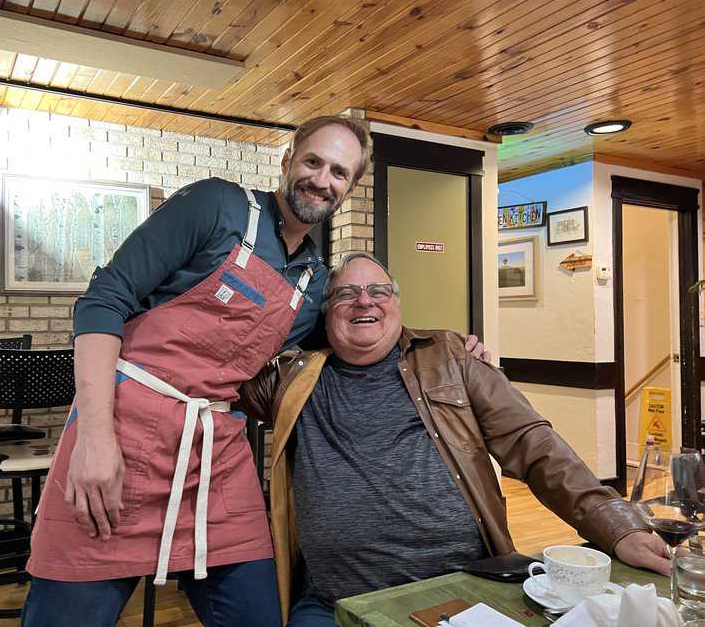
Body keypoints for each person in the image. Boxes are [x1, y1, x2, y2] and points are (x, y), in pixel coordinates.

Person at [21, 115, 490, 627]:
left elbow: (362, 332)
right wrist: (94, 439)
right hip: (121, 434)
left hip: (217, 455)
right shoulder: (215, 205)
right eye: (313, 161)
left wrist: (446, 345)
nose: (322, 179)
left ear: (350, 187)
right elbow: (102, 301)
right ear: (288, 162)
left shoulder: (313, 284)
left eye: (339, 172)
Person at [237, 251, 672, 626]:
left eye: (379, 291)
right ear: (324, 310)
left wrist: (615, 525)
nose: (364, 301)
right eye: (345, 295)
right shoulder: (292, 377)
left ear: (397, 302)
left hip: (463, 584)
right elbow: (222, 367)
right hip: (333, 601)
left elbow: (535, 446)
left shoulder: (450, 357)